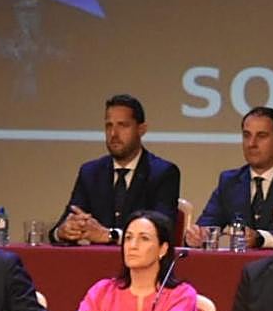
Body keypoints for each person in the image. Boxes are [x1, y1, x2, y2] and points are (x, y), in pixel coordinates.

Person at [58, 210, 198, 311]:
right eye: (128, 238)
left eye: (144, 239)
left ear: (163, 249)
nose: (133, 245)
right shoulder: (103, 291)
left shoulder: (182, 295)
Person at [51, 94, 180, 245]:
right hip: (97, 258)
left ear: (141, 129)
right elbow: (64, 222)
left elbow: (162, 231)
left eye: (122, 125)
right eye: (109, 126)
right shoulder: (90, 172)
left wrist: (110, 235)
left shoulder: (163, 173)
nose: (113, 134)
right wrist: (63, 231)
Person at [184, 106, 273, 249]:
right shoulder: (230, 181)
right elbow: (208, 225)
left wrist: (260, 239)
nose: (251, 144)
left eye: (261, 136)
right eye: (247, 135)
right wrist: (197, 236)